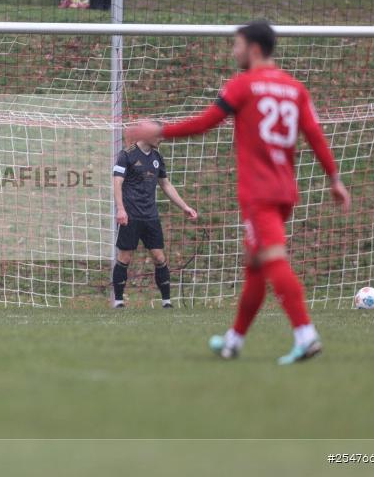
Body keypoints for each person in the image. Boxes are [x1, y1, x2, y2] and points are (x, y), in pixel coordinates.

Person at [126, 20, 350, 365]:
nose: (234, 51)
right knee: (256, 268)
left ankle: (305, 334)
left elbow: (204, 123)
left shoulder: (244, 85)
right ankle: (234, 340)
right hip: (285, 190)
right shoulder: (294, 88)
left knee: (273, 260)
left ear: (254, 49)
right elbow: (315, 134)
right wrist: (334, 179)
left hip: (259, 192)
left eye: (238, 45)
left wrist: (159, 129)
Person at [112, 135, 198, 308]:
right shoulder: (126, 155)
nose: (162, 139)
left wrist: (185, 207)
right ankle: (118, 301)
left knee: (159, 257)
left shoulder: (157, 157)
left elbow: (165, 185)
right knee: (125, 257)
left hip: (151, 216)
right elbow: (117, 183)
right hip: (131, 216)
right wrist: (121, 209)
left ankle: (167, 302)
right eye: (159, 136)